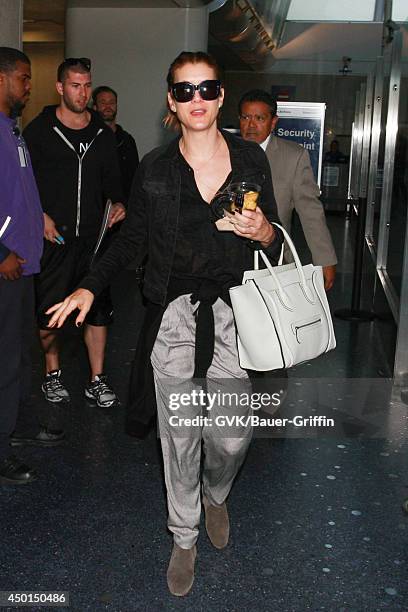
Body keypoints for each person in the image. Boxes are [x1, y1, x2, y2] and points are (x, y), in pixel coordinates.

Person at [46, 51, 283, 596]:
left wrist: (263, 230)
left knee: (230, 436)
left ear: (220, 96)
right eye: (184, 91)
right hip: (175, 316)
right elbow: (131, 240)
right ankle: (183, 535)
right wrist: (88, 283)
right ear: (171, 101)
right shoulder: (155, 167)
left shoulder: (250, 160)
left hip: (233, 314)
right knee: (179, 438)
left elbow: (273, 232)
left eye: (206, 89)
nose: (196, 99)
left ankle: (216, 496)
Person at [23, 58, 125, 409]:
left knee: (97, 311)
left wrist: (120, 203)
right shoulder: (38, 133)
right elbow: (23, 185)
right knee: (50, 314)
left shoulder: (102, 135)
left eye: (86, 86)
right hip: (55, 241)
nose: (82, 93)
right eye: (75, 85)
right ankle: (52, 371)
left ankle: (97, 379)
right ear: (60, 88)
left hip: (95, 243)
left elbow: (114, 184)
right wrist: (39, 217)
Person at [0, 47, 64, 485]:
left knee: (17, 357)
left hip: (22, 266)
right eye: (22, 78)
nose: (28, 86)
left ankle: (11, 430)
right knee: (5, 360)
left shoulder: (12, 131)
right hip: (5, 266)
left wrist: (38, 218)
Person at [239, 89, 337, 291]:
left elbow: (310, 212)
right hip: (228, 262)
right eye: (246, 117)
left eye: (259, 118)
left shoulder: (293, 156)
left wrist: (324, 259)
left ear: (273, 121)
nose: (251, 125)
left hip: (275, 261)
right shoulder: (223, 152)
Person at [92, 85, 139, 202]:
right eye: (103, 102)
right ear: (94, 107)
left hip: (123, 211)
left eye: (112, 102)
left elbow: (135, 179)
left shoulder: (127, 140)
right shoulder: (88, 140)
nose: (108, 106)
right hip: (95, 210)